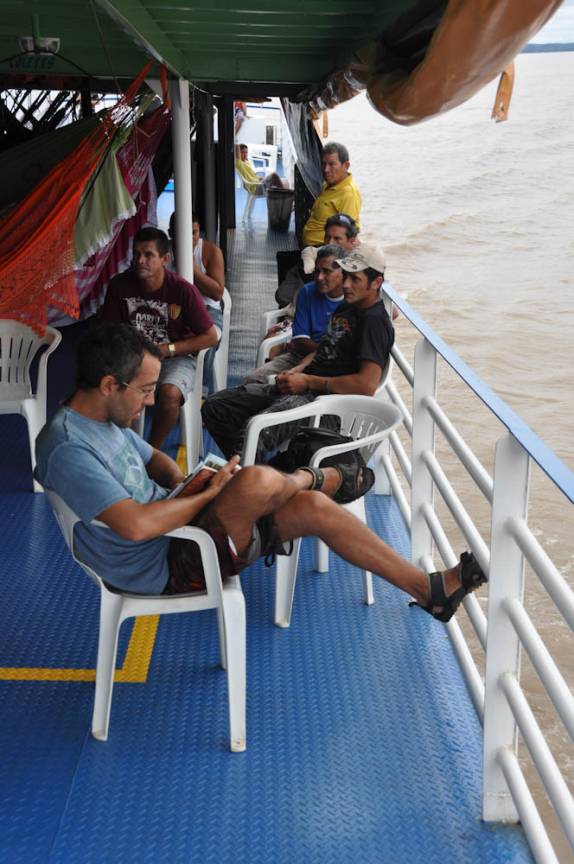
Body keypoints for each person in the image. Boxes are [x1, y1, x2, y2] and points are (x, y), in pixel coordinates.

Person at [35, 323, 487, 623]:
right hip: (159, 565)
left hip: (176, 532)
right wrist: (207, 498)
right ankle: (314, 474)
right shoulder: (68, 447)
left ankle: (430, 590)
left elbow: (157, 461)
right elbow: (133, 527)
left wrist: (184, 484)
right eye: (147, 391)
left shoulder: (105, 422)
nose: (151, 402)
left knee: (309, 508)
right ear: (110, 385)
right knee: (253, 481)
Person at [202, 242, 394, 459]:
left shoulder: (374, 323)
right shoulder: (348, 307)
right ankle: (258, 473)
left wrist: (308, 381)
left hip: (324, 405)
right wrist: (298, 370)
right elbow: (326, 349)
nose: (346, 284)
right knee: (215, 407)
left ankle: (250, 477)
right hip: (302, 386)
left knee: (254, 431)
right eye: (346, 275)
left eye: (355, 279)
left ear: (376, 282)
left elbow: (366, 385)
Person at [99, 226, 218, 449]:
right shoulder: (119, 285)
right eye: (136, 254)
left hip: (175, 358)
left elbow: (211, 337)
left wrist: (168, 349)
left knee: (170, 395)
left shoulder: (183, 291)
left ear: (165, 259)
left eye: (148, 255)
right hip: (133, 357)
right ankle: (116, 447)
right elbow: (107, 330)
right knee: (108, 387)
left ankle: (151, 452)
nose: (140, 260)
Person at [245, 244, 345, 385]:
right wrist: (328, 352)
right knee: (254, 379)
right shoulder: (307, 292)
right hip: (299, 357)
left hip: (335, 365)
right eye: (317, 271)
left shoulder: (352, 299)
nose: (320, 277)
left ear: (343, 273)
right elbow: (300, 341)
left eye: (327, 272)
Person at [169, 212, 225, 390]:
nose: (190, 238)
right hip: (172, 308)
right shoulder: (164, 252)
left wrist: (193, 270)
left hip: (208, 308)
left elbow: (217, 293)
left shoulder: (210, 251)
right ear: (171, 233)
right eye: (183, 233)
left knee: (208, 340)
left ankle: (201, 390)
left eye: (194, 233)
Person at [301, 142, 362, 248]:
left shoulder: (348, 194)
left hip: (323, 250)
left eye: (332, 164)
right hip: (310, 247)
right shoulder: (328, 185)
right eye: (324, 164)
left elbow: (347, 235)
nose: (326, 170)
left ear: (346, 165)